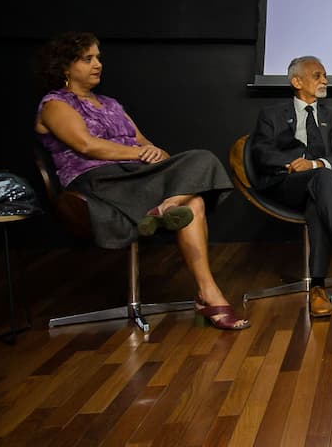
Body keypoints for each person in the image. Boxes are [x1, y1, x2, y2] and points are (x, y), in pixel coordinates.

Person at [34, 31, 249, 330]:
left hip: (136, 177)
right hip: (98, 182)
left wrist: (158, 155)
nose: (98, 64)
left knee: (201, 158)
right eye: (88, 59)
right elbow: (87, 145)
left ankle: (169, 210)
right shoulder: (56, 104)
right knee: (194, 201)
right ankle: (206, 289)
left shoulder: (110, 104)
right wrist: (139, 152)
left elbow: (147, 144)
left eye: (98, 57)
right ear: (65, 67)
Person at [250, 56, 332, 318]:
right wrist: (292, 163)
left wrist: (316, 164)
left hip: (324, 186)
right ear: (296, 81)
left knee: (320, 187)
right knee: (321, 179)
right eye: (317, 75)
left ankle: (318, 289)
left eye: (325, 75)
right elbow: (261, 153)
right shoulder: (272, 115)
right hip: (286, 185)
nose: (325, 80)